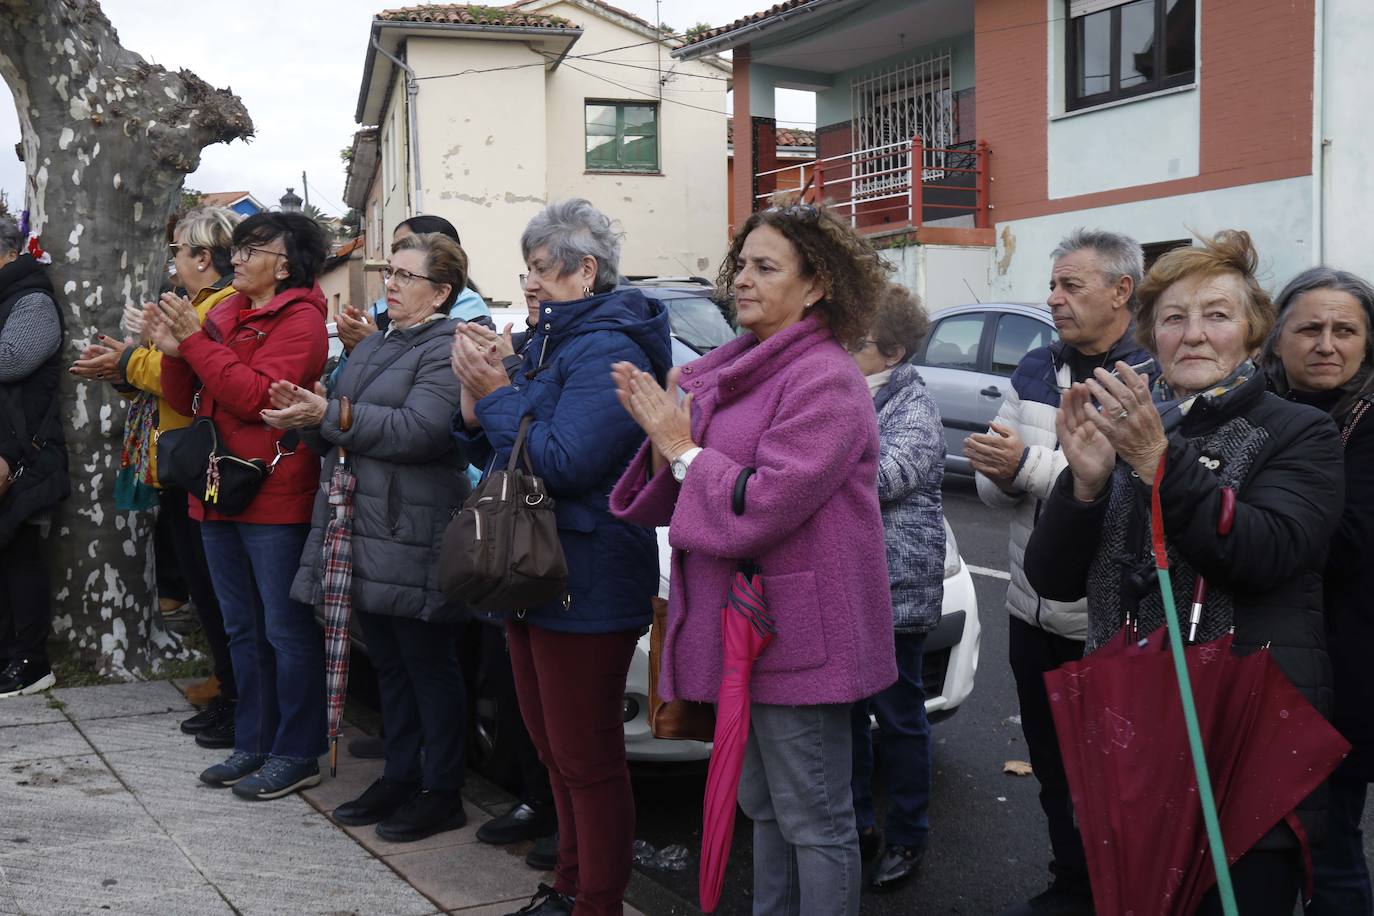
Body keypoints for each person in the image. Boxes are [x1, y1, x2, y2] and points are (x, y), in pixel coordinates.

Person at [1023, 231, 1343, 914]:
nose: (1194, 335)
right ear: (1152, 336)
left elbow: (1267, 551)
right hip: (1133, 730)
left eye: (1217, 316)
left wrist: (1159, 464)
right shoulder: (1135, 423)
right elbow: (1053, 580)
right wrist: (1081, 488)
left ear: (1253, 335)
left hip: (1243, 738)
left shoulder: (1298, 432)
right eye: (1174, 318)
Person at [610, 202, 898, 916]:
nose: (741, 279)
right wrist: (662, 437)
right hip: (756, 630)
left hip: (800, 637)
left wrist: (680, 445)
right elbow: (683, 484)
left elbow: (764, 502)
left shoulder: (825, 378)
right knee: (765, 805)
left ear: (818, 284)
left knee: (817, 820)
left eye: (765, 267)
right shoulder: (734, 367)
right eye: (741, 263)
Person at [450, 198, 670, 916]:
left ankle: (595, 901)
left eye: (543, 269)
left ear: (586, 269)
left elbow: (566, 460)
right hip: (536, 568)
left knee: (588, 760)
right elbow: (506, 450)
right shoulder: (552, 343)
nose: (531, 283)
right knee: (553, 755)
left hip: (589, 572)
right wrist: (473, 400)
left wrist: (499, 393)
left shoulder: (613, 348)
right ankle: (568, 886)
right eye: (528, 269)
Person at [262, 231, 473, 841]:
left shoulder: (447, 345)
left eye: (407, 277)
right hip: (362, 522)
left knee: (428, 663)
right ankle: (401, 776)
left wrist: (327, 415)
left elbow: (422, 430)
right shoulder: (378, 342)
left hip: (414, 526)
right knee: (390, 660)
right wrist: (307, 413)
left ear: (441, 292)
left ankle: (442, 788)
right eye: (392, 273)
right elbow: (342, 416)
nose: (393, 284)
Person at [968, 228, 1151, 916]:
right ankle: (1072, 885)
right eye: (1054, 285)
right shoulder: (1037, 367)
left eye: (1070, 285)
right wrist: (1002, 470)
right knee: (1052, 770)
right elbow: (996, 492)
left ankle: (1120, 892)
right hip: (1027, 609)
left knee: (1111, 777)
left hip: (1104, 621)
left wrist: (1024, 467)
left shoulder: (1146, 379)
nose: (1053, 299)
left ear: (1121, 291)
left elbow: (1127, 491)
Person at [147, 211, 330, 800]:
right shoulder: (225, 311)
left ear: (285, 261)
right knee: (240, 627)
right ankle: (253, 739)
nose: (239, 258)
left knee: (285, 629)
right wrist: (174, 351)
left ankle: (298, 750)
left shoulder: (302, 320)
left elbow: (252, 399)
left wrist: (195, 344)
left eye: (253, 249)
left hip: (271, 491)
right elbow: (187, 396)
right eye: (240, 248)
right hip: (216, 485)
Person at [70, 207, 241, 743]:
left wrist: (127, 361)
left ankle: (234, 690)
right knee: (202, 582)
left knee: (216, 589)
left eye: (179, 252)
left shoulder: (221, 306)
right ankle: (228, 684)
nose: (173, 262)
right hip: (175, 460)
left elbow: (181, 378)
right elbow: (160, 373)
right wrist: (125, 364)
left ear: (203, 257)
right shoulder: (194, 305)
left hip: (198, 460)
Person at [1261, 268, 1374, 915]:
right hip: (1254, 664)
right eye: (1309, 328)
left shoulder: (1367, 425)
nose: (1326, 343)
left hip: (1339, 676)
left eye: (1345, 330)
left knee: (1328, 849)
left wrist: (1253, 524)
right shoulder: (1252, 406)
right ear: (1277, 339)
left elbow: (1345, 545)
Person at [846, 283, 942, 892]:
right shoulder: (850, 393)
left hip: (895, 590)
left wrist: (818, 456)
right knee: (847, 717)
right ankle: (856, 827)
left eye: (857, 344)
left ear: (895, 351)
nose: (844, 352)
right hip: (848, 583)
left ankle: (907, 836)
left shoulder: (914, 405)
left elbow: (889, 475)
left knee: (899, 716)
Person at [0, 218, 68, 697]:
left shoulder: (32, 299)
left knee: (18, 555)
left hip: (19, 453)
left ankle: (30, 661)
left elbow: (11, 360)